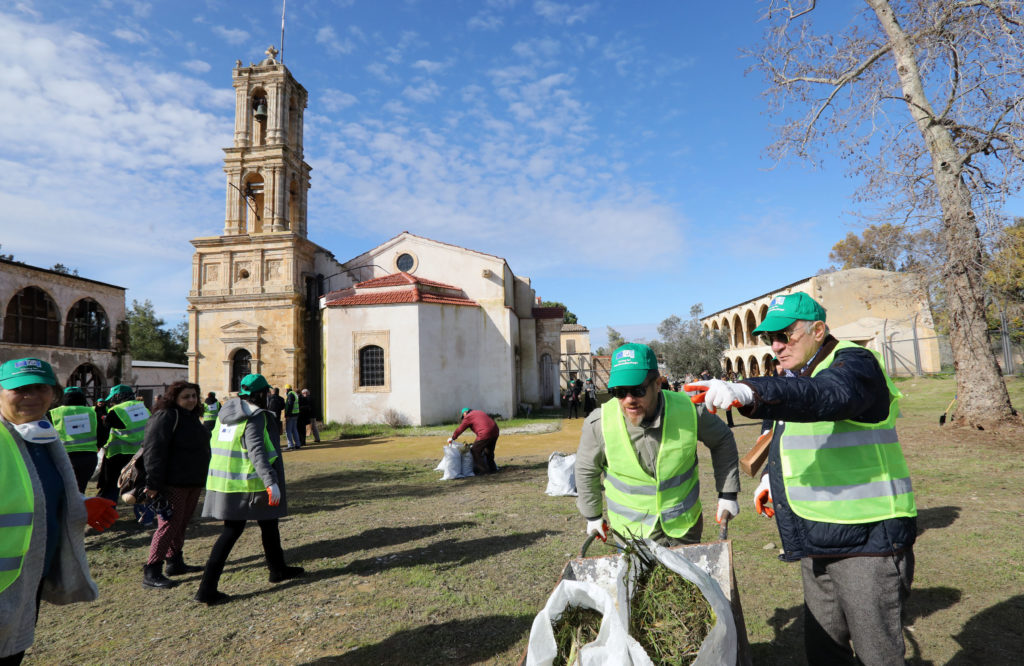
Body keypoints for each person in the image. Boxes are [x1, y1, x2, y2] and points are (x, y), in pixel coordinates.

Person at [692, 291, 916, 666]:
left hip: (869, 538)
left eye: (784, 335)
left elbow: (830, 397)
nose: (776, 346)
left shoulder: (855, 361)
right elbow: (786, 431)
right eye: (769, 338)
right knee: (825, 653)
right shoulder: (796, 374)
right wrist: (771, 478)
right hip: (817, 536)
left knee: (878, 655)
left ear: (818, 329)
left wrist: (750, 389)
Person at [0, 358, 117, 664]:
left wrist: (76, 505)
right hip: (5, 583)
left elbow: (33, 489)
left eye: (42, 387)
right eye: (20, 388)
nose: (32, 395)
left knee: (14, 651)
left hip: (27, 577)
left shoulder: (39, 435)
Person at [575, 343, 740, 547]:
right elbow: (586, 470)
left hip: (684, 529)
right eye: (619, 391)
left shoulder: (689, 411)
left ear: (657, 384)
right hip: (631, 536)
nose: (629, 400)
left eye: (637, 390)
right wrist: (592, 515)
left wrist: (727, 493)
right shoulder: (599, 424)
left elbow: (723, 440)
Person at [194, 373, 303, 605]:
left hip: (224, 482)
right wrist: (270, 482)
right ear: (262, 394)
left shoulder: (226, 413)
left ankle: (278, 569)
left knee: (269, 523)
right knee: (231, 533)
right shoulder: (254, 417)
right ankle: (206, 589)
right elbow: (256, 451)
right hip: (249, 483)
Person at [140, 381, 212, 589]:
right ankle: (152, 570)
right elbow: (154, 450)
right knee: (169, 525)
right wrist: (153, 483)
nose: (191, 400)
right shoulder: (166, 417)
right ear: (174, 398)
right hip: (172, 482)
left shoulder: (190, 417)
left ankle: (175, 562)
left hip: (192, 480)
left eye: (194, 396)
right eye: (186, 396)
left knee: (181, 523)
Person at [96, 384, 152, 524]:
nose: (111, 402)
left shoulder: (116, 410)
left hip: (118, 454)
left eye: (113, 399)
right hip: (141, 453)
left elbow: (105, 430)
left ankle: (106, 518)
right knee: (139, 484)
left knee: (111, 486)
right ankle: (146, 517)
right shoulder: (143, 408)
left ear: (117, 397)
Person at [48, 386, 100, 493]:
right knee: (80, 490)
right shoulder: (93, 412)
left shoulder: (53, 413)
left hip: (63, 455)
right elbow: (103, 432)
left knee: (63, 490)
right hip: (88, 456)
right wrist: (98, 445)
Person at [449, 407, 499, 475]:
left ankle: (484, 471)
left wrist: (453, 438)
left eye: (463, 416)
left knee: (475, 450)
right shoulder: (479, 412)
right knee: (489, 451)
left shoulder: (468, 416)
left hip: (485, 433)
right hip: (495, 431)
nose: (464, 418)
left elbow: (460, 429)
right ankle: (493, 468)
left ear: (465, 413)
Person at [283, 384, 300, 451]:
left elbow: (290, 405)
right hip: (295, 414)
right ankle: (298, 444)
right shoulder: (294, 394)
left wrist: (287, 415)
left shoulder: (290, 395)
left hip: (291, 415)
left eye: (285, 389)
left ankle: (290, 445)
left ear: (287, 389)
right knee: (294, 430)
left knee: (288, 431)